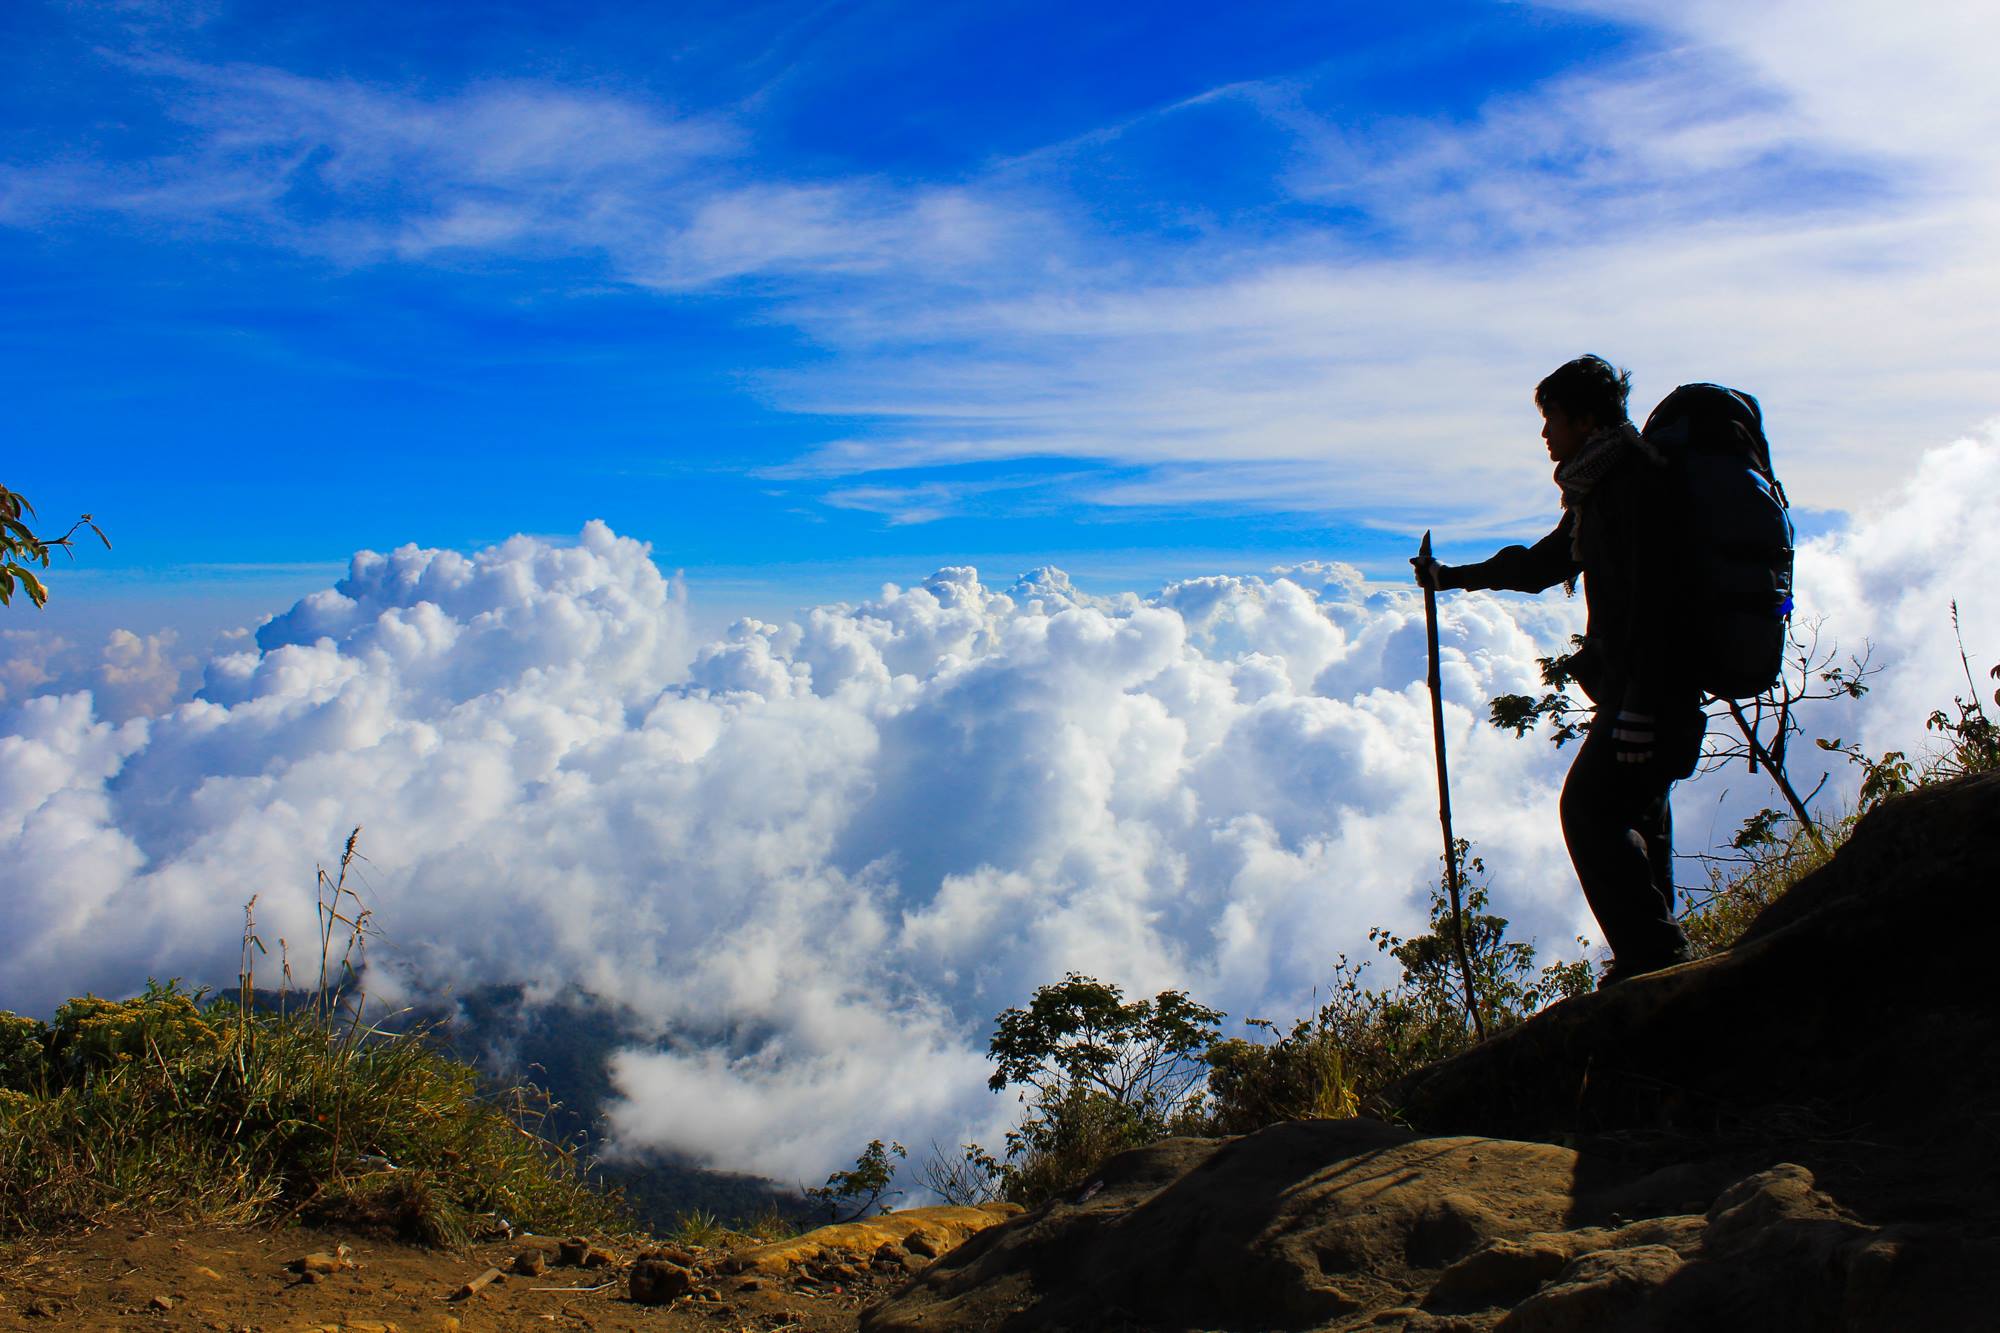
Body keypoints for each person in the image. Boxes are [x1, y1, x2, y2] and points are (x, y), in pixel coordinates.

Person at [1412, 355, 1701, 986]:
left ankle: (1656, 964)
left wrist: (1640, 707)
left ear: (1586, 418)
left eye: (1552, 420)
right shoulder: (1604, 489)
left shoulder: (1631, 487)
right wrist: (1450, 579)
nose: (1545, 435)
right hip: (1646, 698)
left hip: (1648, 699)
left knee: (1589, 813)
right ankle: (1665, 965)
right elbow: (1543, 564)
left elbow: (1659, 602)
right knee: (1637, 821)